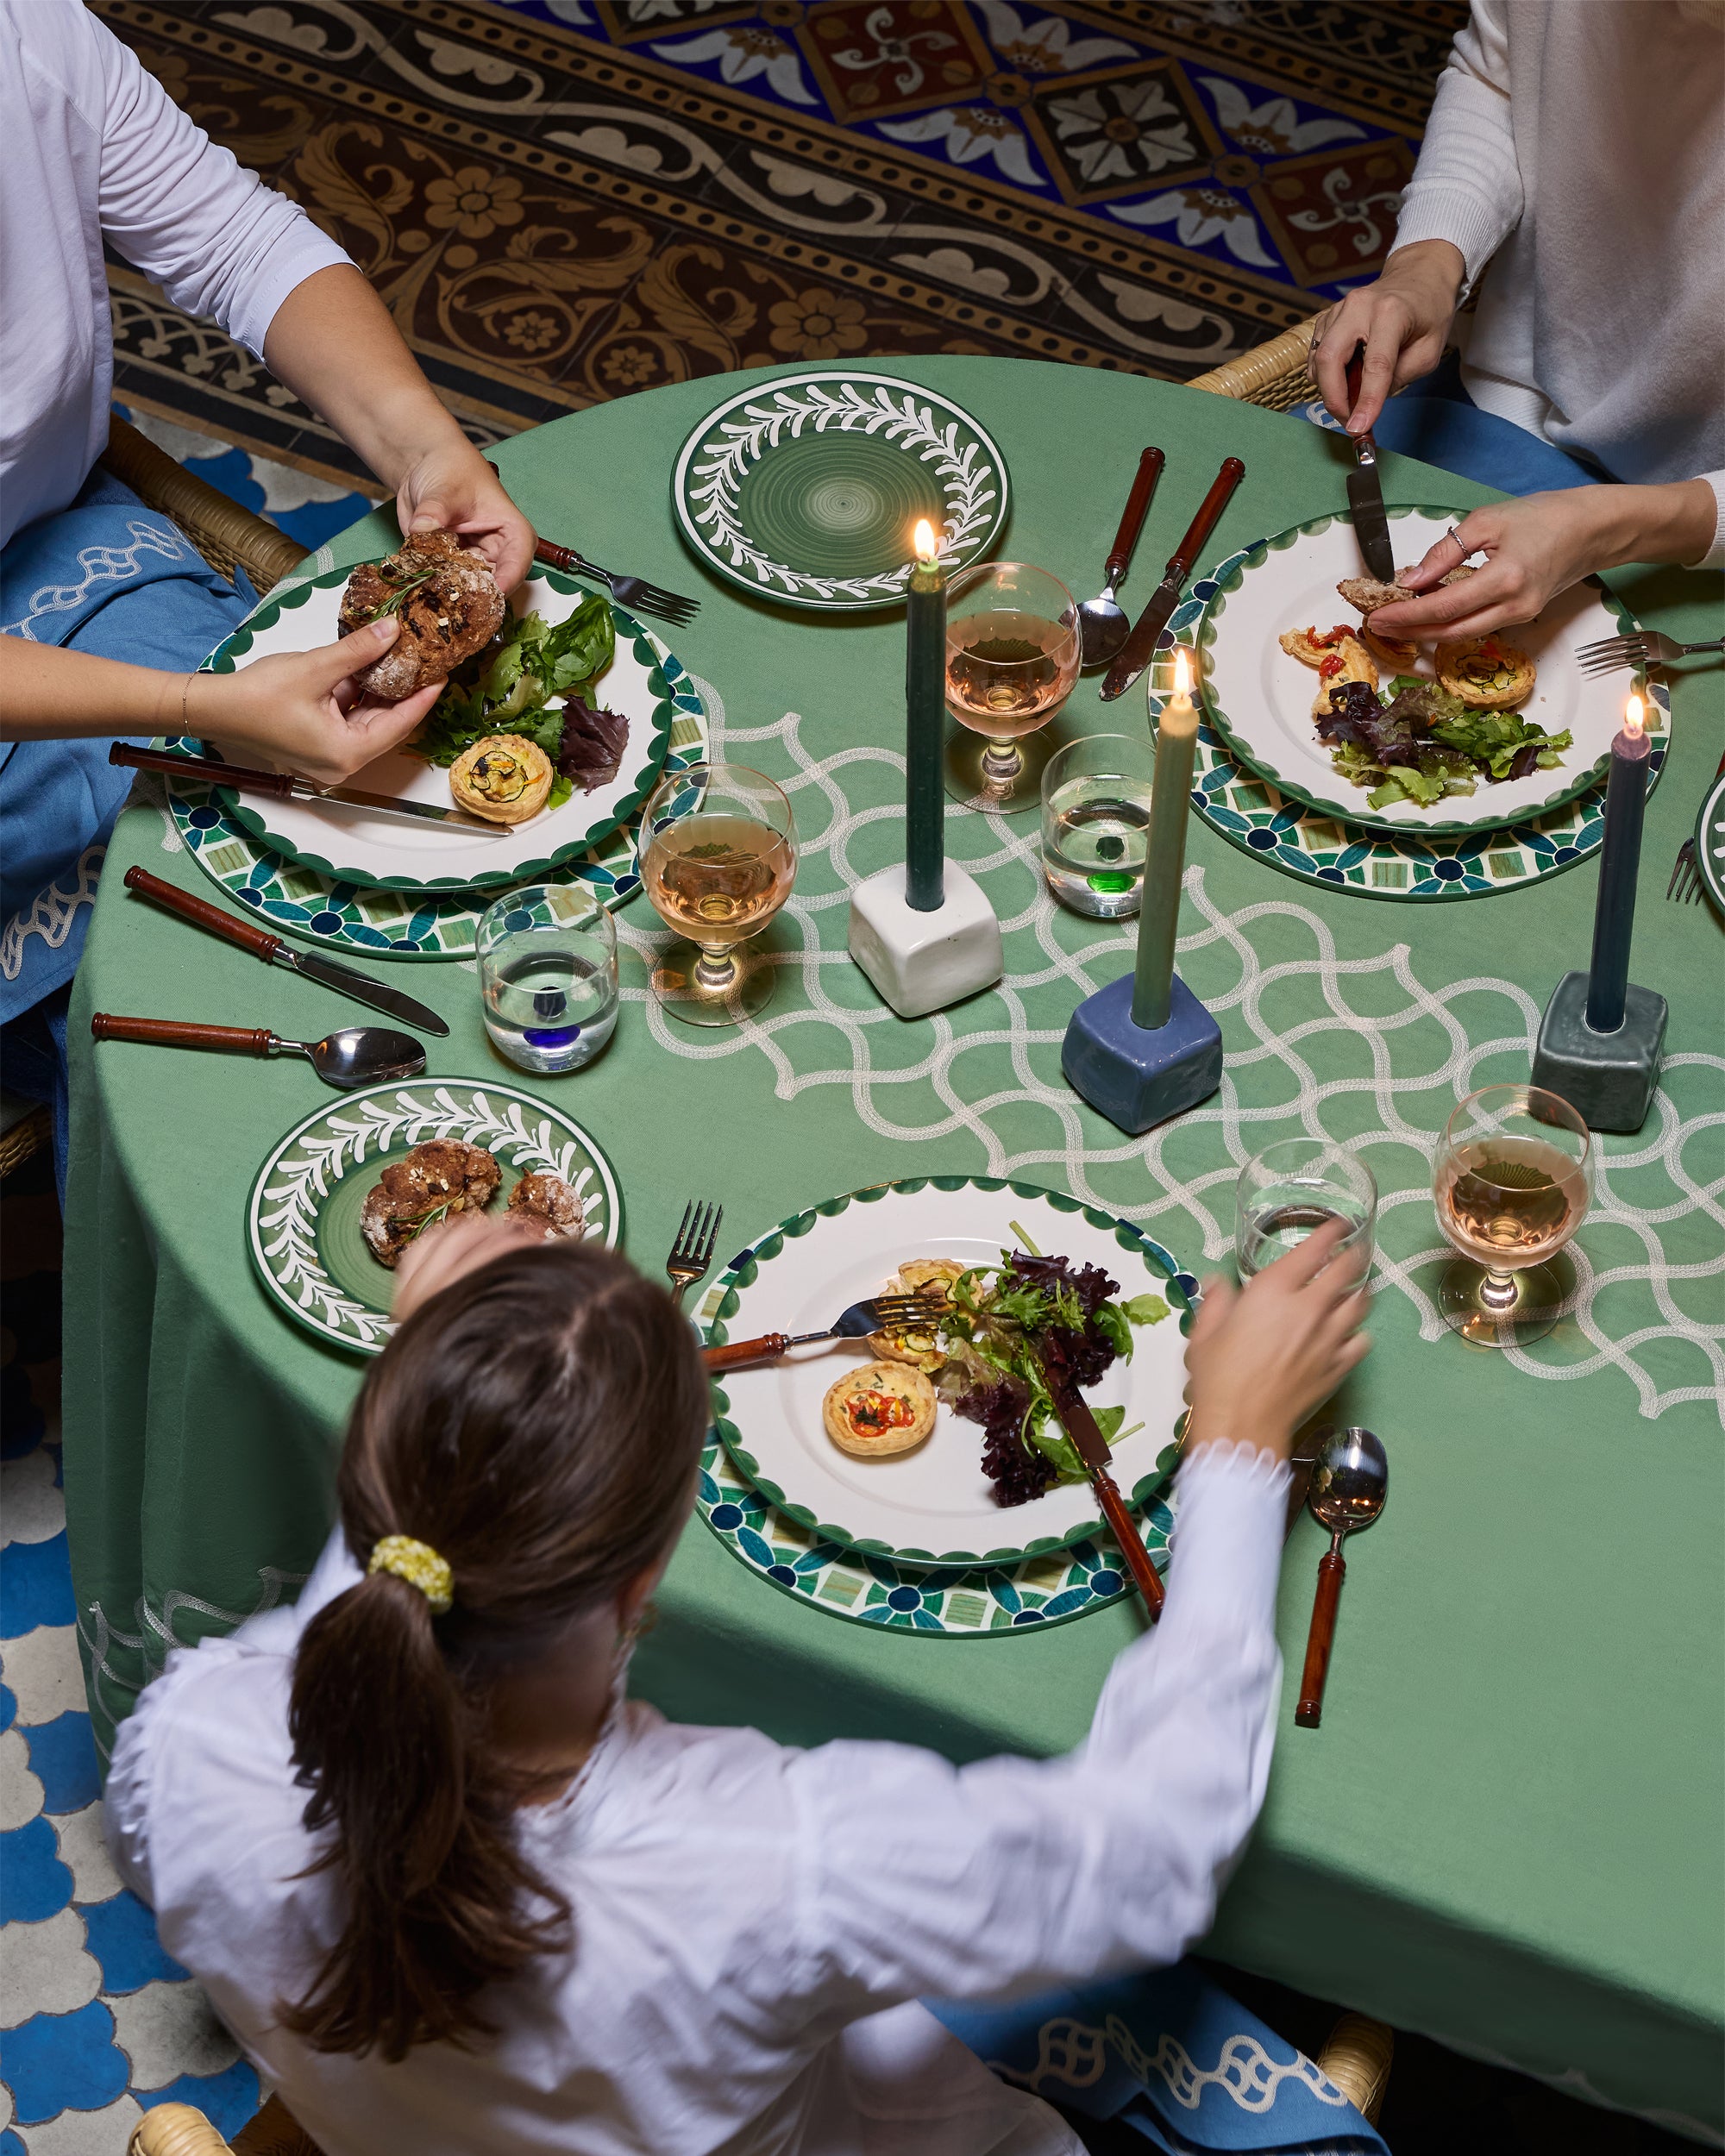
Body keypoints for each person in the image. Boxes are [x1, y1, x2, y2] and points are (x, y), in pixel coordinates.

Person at [104, 1214, 1370, 2156]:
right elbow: (1153, 1850)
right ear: (642, 1585)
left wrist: (451, 1386)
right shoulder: (776, 1860)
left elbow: (362, 1613)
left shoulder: (184, 1746)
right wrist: (1241, 1449)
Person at [0, 0, 534, 1192]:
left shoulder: (24, 30)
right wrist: (197, 702)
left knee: (329, 839)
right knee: (168, 961)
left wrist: (422, 447)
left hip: (54, 550)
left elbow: (236, 239)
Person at [1305, 0, 1723, 644]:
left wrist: (1617, 526)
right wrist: (1427, 262)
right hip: (1500, 403)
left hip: (1700, 530)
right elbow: (1499, 75)